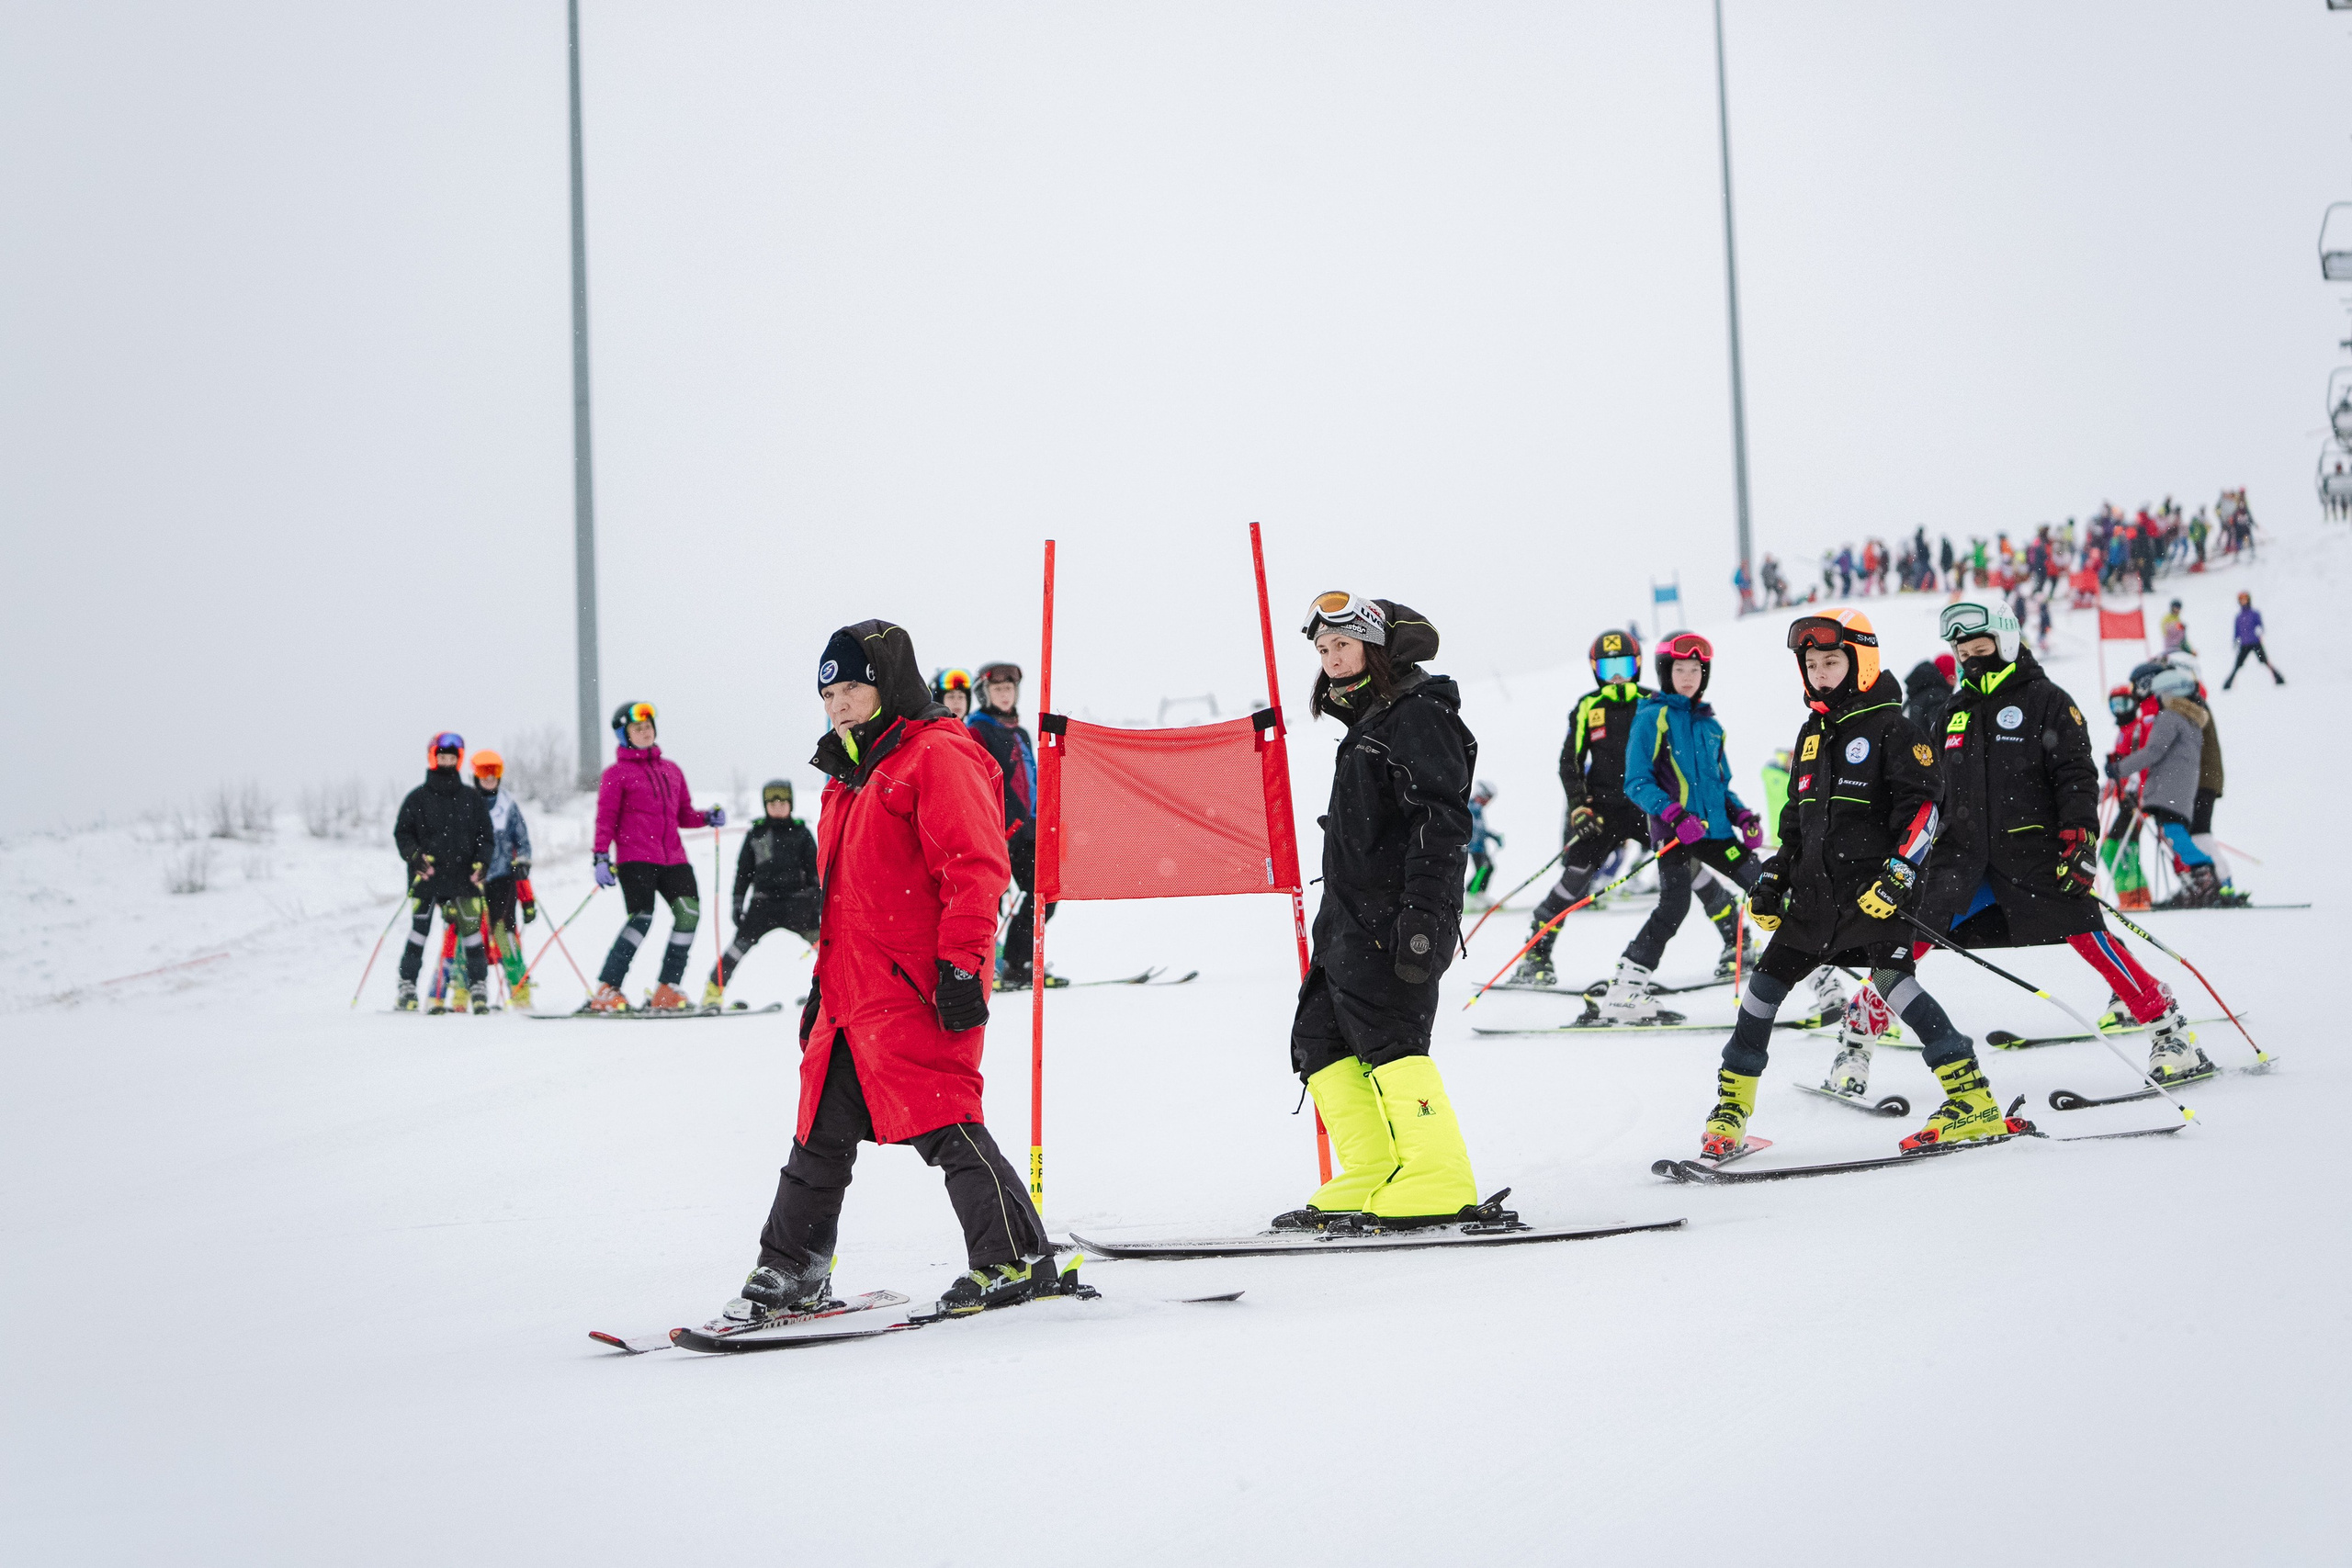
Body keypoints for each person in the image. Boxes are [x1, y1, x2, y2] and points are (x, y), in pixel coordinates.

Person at [724, 618, 1063, 1326]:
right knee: (818, 1133)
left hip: (917, 986)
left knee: (945, 1119)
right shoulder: (847, 775)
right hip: (851, 994)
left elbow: (975, 868)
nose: (839, 704)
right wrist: (823, 985)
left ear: (886, 685)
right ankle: (792, 1267)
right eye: (828, 693)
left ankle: (1015, 1255)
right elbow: (844, 897)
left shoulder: (936, 755)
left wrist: (964, 966)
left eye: (852, 686)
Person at [1702, 609, 2015, 1155]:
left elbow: (1924, 810)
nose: (1821, 674)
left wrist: (1899, 874)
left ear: (1861, 662)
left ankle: (1972, 1099)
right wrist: (1774, 879)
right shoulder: (1811, 734)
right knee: (1763, 990)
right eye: (1812, 665)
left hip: (1874, 897)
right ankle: (1731, 1110)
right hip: (1816, 901)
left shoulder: (1893, 728)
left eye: (1831, 661)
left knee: (1896, 985)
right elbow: (1795, 827)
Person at [1916, 602, 2211, 1088]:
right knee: (1907, 944)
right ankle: (1857, 1038)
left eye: (1981, 648)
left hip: (2034, 855)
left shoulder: (2047, 701)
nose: (1971, 659)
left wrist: (2079, 839)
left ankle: (2168, 1029)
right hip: (1963, 861)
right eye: (1962, 652)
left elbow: (2075, 777)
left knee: (2088, 938)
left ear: (2006, 642)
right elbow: (1935, 788)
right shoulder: (1954, 710)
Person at [1281, 592, 1487, 1231]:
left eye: (1343, 644)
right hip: (1347, 916)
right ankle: (1375, 1167)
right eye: (1322, 649)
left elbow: (1442, 821)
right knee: (1319, 1038)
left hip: (1397, 915)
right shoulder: (1372, 721)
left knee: (1391, 1038)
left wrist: (1424, 916)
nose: (1332, 658)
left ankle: (1437, 1173)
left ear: (1375, 645)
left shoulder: (1418, 713)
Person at [1513, 630, 1754, 987]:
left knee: (1689, 868)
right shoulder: (1588, 707)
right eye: (1608, 667)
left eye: (1624, 666)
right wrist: (1579, 808)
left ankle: (1737, 942)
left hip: (1651, 809)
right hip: (1604, 811)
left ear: (1639, 666)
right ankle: (1536, 954)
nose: (1616, 675)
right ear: (1596, 669)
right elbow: (1571, 763)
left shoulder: (1652, 703)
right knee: (1576, 876)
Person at [1592, 632, 1795, 1024]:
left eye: (1696, 670)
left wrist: (1743, 817)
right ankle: (1625, 990)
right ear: (1666, 673)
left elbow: (1721, 786)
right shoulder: (1652, 717)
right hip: (1676, 833)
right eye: (1680, 669)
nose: (1688, 677)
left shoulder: (1710, 725)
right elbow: (1636, 781)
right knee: (1675, 905)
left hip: (1716, 832)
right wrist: (1673, 815)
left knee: (1768, 889)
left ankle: (1821, 981)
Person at [586, 702, 727, 1012]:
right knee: (642, 918)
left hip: (673, 858)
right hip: (635, 858)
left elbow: (684, 814)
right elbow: (605, 819)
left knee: (689, 914)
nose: (645, 732)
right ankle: (607, 989)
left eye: (648, 727)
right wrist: (599, 856)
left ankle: (667, 988)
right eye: (638, 729)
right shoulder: (616, 774)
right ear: (625, 736)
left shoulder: (671, 770)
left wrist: (707, 817)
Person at [965, 660, 1059, 988]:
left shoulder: (1020, 731)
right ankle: (1003, 964)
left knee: (1044, 896)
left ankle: (1018, 961)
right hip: (1003, 831)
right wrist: (994, 828)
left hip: (1031, 829)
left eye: (1010, 688)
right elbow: (977, 783)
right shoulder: (977, 729)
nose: (1005, 695)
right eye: (998, 689)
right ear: (984, 693)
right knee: (1013, 897)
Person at [391, 734, 495, 1013]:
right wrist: (415, 858)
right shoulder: (417, 798)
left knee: (472, 933)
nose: (447, 763)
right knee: (419, 932)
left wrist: (481, 864)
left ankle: (478, 986)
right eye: (442, 758)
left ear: (458, 760)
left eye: (452, 758)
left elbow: (486, 837)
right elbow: (402, 833)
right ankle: (407, 985)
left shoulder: (471, 799)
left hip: (463, 878)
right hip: (426, 877)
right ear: (433, 758)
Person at [2109, 667, 2228, 908]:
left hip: (2169, 787)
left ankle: (2203, 872)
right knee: (2173, 832)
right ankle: (2196, 884)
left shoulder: (2169, 717)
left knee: (2174, 832)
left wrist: (2121, 768)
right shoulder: (2189, 718)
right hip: (2181, 786)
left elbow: (2153, 751)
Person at [703, 779, 821, 1007]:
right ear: (765, 805)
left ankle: (839, 993)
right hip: (763, 904)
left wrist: (817, 902)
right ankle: (712, 993)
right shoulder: (756, 833)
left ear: (791, 804)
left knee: (826, 949)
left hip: (799, 904)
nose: (778, 806)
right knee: (737, 948)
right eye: (772, 802)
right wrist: (737, 903)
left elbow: (815, 870)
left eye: (783, 802)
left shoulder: (802, 833)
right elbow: (743, 873)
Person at [470, 749, 538, 1010]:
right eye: (484, 773)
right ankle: (464, 992)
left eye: (494, 773)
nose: (489, 778)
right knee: (471, 934)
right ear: (476, 776)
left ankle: (520, 991)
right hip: (473, 879)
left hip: (502, 878)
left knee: (504, 932)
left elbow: (522, 837)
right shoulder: (467, 803)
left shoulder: (508, 806)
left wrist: (522, 861)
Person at [2223, 592, 2284, 688]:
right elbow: (2237, 631)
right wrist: (2236, 641)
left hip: (2255, 642)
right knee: (2237, 664)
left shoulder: (2254, 613)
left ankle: (2279, 678)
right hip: (2244, 644)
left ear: (2249, 600)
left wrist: (2259, 631)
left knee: (2265, 661)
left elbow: (2260, 626)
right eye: (2241, 600)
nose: (2243, 601)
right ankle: (2228, 684)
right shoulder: (2239, 617)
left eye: (2245, 599)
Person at [1465, 781, 1503, 898]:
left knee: (1487, 868)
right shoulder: (1471, 808)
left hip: (1480, 847)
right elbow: (1472, 829)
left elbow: (1481, 830)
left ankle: (1478, 894)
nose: (1489, 801)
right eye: (1488, 797)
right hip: (1474, 847)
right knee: (1483, 869)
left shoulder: (1478, 809)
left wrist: (1494, 837)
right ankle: (1473, 895)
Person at [1903, 654, 1953, 739]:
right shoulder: (1938, 695)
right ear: (1948, 676)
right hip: (1926, 751)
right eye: (1952, 676)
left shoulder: (1914, 695)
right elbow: (1941, 728)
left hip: (1909, 749)